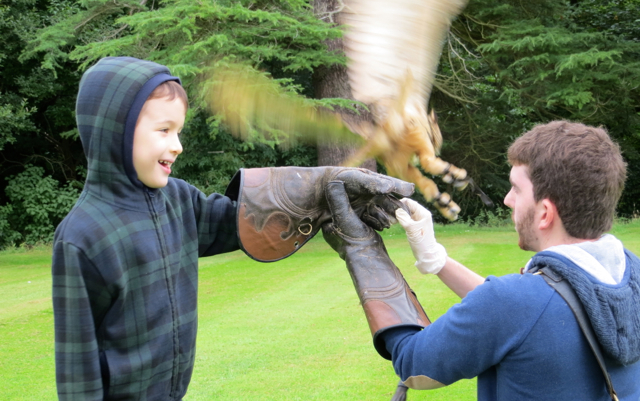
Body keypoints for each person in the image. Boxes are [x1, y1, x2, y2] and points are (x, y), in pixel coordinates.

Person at [51, 56, 414, 401]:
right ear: (115, 131)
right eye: (163, 130)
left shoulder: (177, 200)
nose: (176, 146)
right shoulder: (82, 237)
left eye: (178, 131)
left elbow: (239, 220)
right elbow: (76, 370)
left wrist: (325, 187)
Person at [322, 120, 640, 400]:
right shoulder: (632, 273)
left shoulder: (515, 304)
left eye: (516, 189)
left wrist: (364, 253)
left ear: (545, 213)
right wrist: (435, 259)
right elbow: (528, 315)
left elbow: (412, 364)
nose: (507, 199)